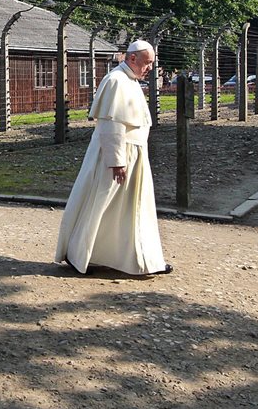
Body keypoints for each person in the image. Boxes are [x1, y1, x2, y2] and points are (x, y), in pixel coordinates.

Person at [55, 39, 171, 277]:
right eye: (147, 63)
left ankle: (138, 259)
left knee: (128, 210)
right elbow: (111, 124)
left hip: (133, 154)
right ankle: (81, 255)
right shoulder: (116, 81)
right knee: (102, 204)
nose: (150, 68)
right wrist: (117, 161)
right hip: (119, 155)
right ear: (132, 58)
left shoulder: (129, 80)